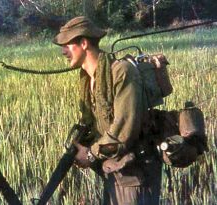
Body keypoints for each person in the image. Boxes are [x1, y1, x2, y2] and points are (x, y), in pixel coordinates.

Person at [53, 16, 162, 205]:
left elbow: (123, 130)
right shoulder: (88, 79)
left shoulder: (121, 72)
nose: (64, 52)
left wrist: (90, 154)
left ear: (84, 43)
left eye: (67, 45)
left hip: (136, 175)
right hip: (114, 169)